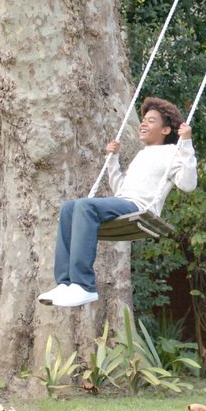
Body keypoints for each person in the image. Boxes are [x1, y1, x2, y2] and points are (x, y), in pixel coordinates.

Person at [38, 97, 197, 308]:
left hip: (140, 208)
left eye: (151, 121)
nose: (143, 123)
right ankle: (65, 283)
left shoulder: (172, 153)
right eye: (143, 119)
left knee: (85, 206)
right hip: (123, 202)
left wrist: (186, 143)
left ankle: (84, 286)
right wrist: (112, 160)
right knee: (69, 207)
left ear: (166, 130)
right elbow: (120, 190)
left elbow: (188, 184)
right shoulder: (142, 154)